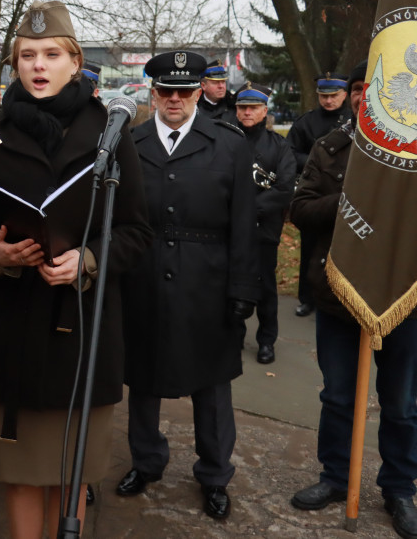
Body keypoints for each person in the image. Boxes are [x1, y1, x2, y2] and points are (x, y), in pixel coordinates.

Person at [0, 0, 151, 539]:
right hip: (14, 332)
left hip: (80, 335)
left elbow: (137, 233)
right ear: (15, 63)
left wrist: (85, 261)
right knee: (18, 477)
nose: (38, 66)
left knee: (72, 477)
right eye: (27, 55)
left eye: (51, 54)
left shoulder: (111, 133)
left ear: (74, 61)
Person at [117, 50, 258, 521]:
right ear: (152, 92)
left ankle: (215, 474)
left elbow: (244, 223)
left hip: (209, 281)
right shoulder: (130, 142)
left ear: (200, 91)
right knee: (143, 377)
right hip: (143, 276)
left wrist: (243, 287)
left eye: (184, 91)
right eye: (165, 91)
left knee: (212, 384)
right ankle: (146, 461)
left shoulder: (230, 144)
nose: (174, 99)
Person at [289, 63, 417, 539]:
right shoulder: (330, 147)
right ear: (352, 97)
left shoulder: (414, 150)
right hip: (338, 295)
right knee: (339, 396)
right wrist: (349, 199)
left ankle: (399, 488)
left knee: (402, 404)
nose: (367, 96)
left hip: (404, 300)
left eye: (374, 87)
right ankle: (335, 478)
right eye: (360, 89)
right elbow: (299, 209)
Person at [233, 84, 294, 364]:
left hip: (264, 229)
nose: (247, 112)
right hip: (228, 228)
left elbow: (284, 189)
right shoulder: (225, 139)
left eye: (253, 108)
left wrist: (247, 210)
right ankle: (232, 336)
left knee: (266, 288)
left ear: (264, 111)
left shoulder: (279, 146)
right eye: (242, 107)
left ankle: (266, 340)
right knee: (229, 283)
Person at [286, 72, 351, 318]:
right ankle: (307, 298)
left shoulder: (352, 120)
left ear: (344, 94)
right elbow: (290, 152)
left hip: (344, 198)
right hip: (315, 194)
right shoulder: (307, 122)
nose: (328, 100)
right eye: (324, 96)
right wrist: (316, 162)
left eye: (333, 95)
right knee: (310, 249)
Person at [197, 60, 237, 124]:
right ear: (203, 86)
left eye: (223, 82)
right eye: (215, 83)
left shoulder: (234, 105)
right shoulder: (194, 107)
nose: (221, 86)